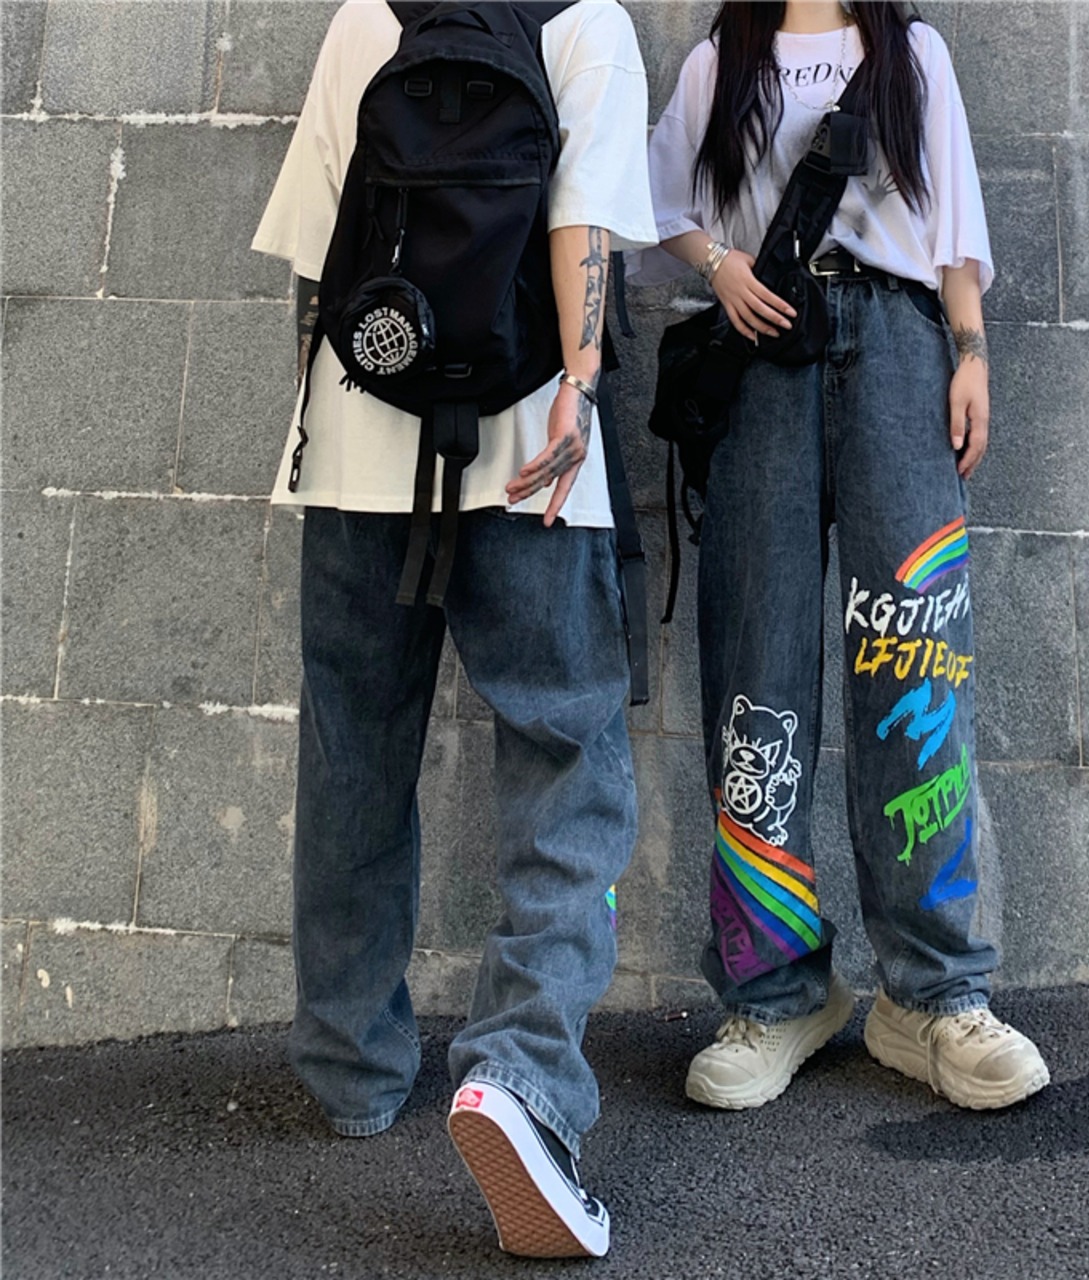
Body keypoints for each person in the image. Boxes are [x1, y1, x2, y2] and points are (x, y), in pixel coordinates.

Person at [251, 0, 655, 1257]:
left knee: (354, 754)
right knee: (565, 762)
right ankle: (520, 1076)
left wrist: (321, 427)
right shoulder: (585, 22)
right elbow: (582, 232)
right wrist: (579, 391)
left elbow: (318, 257)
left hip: (353, 446)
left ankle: (351, 1064)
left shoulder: (364, 19)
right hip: (534, 452)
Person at [631, 0, 1049, 1113]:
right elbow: (652, 199)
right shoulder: (723, 59)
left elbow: (952, 221)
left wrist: (970, 352)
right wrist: (720, 262)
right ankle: (774, 993)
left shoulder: (911, 53)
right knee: (755, 673)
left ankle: (935, 993)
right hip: (763, 358)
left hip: (902, 353)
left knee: (917, 664)